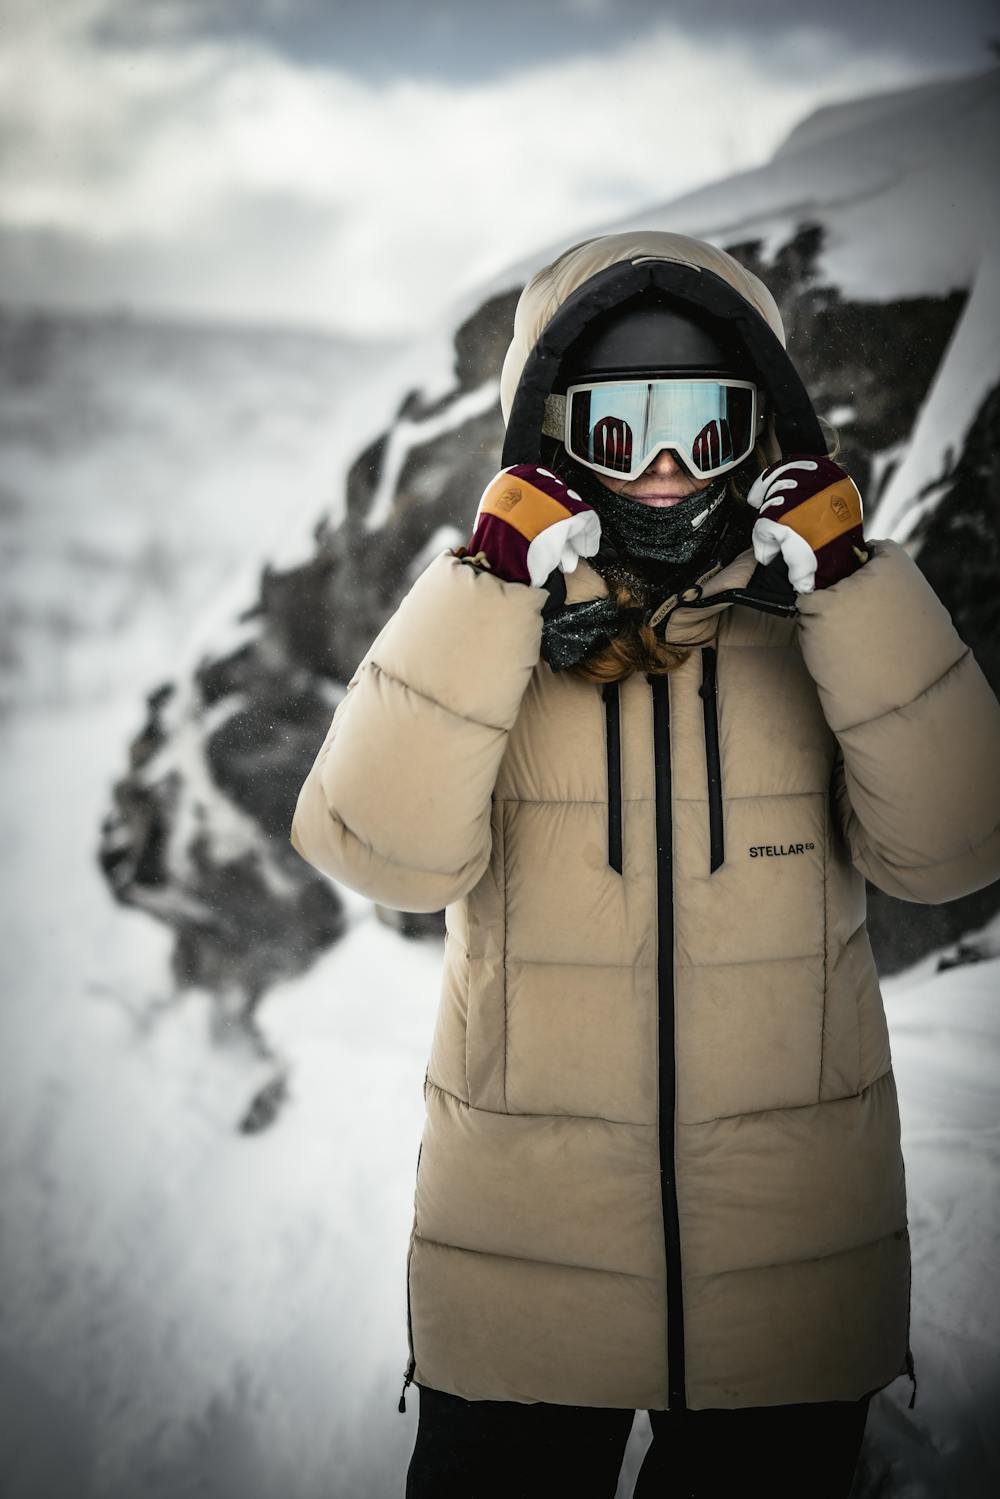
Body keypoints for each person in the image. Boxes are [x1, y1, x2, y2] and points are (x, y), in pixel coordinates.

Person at [289, 231, 1000, 1499]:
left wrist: (848, 580)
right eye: (618, 430)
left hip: (787, 1282)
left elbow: (953, 849)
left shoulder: (824, 619)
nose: (666, 469)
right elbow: (381, 852)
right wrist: (490, 584)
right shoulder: (489, 620)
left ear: (764, 426)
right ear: (552, 433)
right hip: (518, 1276)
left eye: (707, 425)